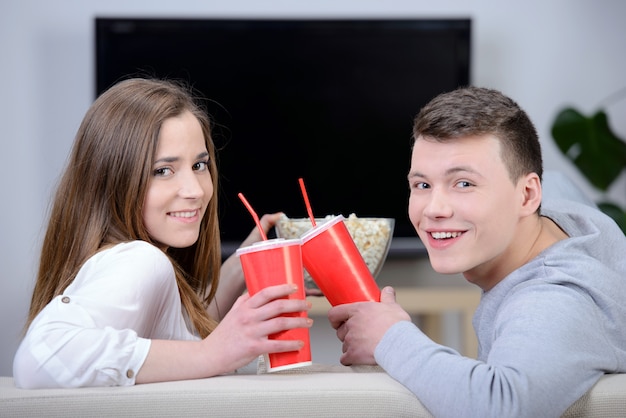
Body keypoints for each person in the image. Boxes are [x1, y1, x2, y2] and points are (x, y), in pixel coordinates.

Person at [328, 86, 626, 417]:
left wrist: (389, 338)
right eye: (422, 185)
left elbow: (501, 406)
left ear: (528, 196)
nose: (434, 209)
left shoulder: (554, 300)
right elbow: (555, 181)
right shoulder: (558, 207)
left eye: (464, 183)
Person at [13, 78, 312, 388]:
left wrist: (240, 266)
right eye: (163, 170)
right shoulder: (141, 262)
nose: (196, 190)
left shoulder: (136, 263)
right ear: (114, 179)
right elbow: (38, 360)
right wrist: (211, 354)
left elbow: (175, 336)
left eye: (199, 165)